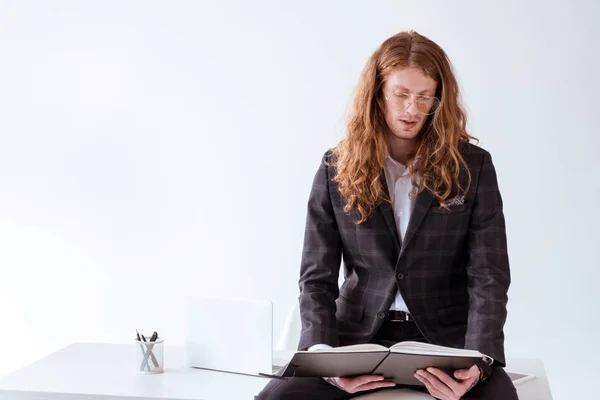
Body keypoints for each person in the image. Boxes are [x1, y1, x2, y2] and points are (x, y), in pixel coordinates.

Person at [257, 30, 517, 400]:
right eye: (401, 95)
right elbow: (316, 278)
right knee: (276, 398)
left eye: (425, 97)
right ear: (378, 93)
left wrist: (477, 361)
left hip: (446, 343)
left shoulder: (473, 166)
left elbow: (489, 276)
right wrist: (324, 359)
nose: (412, 109)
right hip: (356, 340)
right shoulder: (336, 167)